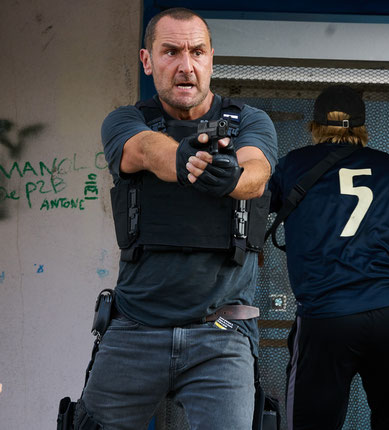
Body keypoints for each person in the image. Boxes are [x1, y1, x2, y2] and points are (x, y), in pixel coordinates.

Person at [74, 8, 277, 430]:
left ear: (210, 59)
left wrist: (232, 177)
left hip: (220, 332)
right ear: (147, 60)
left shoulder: (251, 121)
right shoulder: (125, 120)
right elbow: (145, 149)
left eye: (197, 51)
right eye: (171, 52)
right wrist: (187, 160)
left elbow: (257, 172)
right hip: (134, 329)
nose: (186, 65)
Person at [268, 85, 389, 430]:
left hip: (327, 319)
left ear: (314, 126)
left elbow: (249, 212)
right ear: (362, 127)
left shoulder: (292, 165)